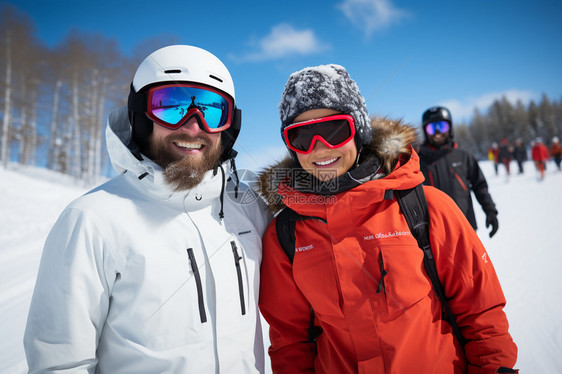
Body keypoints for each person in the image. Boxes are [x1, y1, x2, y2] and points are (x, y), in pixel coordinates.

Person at [24, 45, 269, 373]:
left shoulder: (250, 210)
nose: (193, 126)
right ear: (140, 116)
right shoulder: (92, 219)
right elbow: (60, 362)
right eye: (171, 107)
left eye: (211, 111)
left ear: (229, 126)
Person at [258, 64, 518, 373]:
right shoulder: (286, 234)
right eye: (301, 136)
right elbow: (291, 342)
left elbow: (481, 313)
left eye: (334, 131)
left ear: (359, 130)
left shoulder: (425, 208)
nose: (319, 148)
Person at [418, 106, 499, 237]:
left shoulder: (463, 157)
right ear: (425, 131)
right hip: (433, 232)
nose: (437, 132)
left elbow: (480, 186)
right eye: (432, 128)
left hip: (465, 226)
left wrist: (490, 211)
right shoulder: (418, 161)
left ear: (450, 128)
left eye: (442, 126)